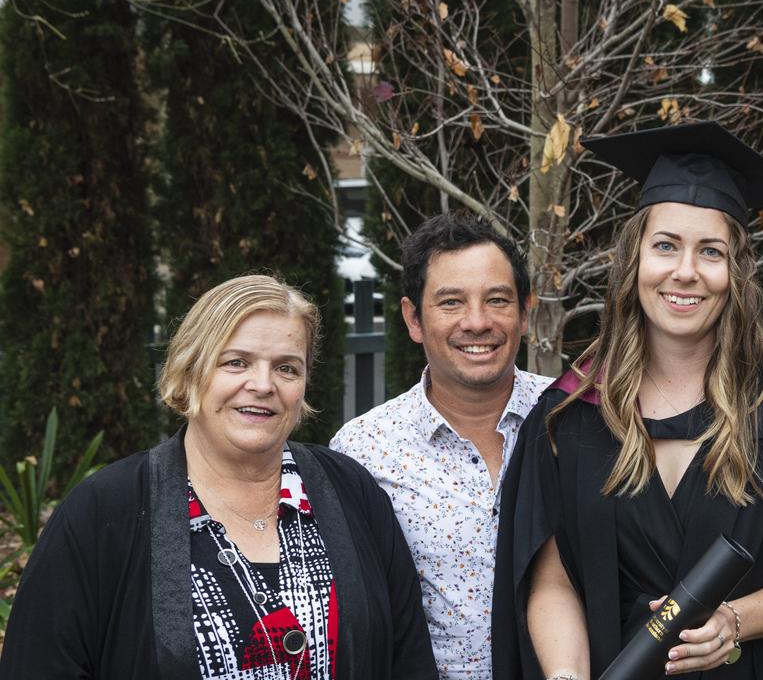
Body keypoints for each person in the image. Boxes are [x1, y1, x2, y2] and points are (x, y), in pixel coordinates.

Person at [493, 122, 763, 679]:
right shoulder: (572, 415)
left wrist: (733, 619)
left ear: (736, 272)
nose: (685, 272)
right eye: (665, 246)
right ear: (634, 261)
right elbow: (552, 576)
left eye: (711, 251)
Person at [0, 274, 436, 679]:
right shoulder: (101, 513)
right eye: (236, 362)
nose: (263, 384)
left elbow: (409, 656)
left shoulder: (351, 491)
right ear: (191, 370)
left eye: (287, 367)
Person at [331, 214, 552, 679]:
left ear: (525, 312)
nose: (477, 322)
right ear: (413, 318)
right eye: (451, 302)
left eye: (497, 300)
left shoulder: (572, 419)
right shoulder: (364, 451)